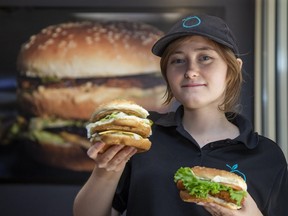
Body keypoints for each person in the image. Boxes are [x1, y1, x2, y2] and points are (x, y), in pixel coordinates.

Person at [73, 14, 288, 216]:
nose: (191, 70)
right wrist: (104, 172)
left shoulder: (267, 156)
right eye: (177, 60)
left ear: (233, 70)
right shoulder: (141, 138)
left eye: (205, 57)